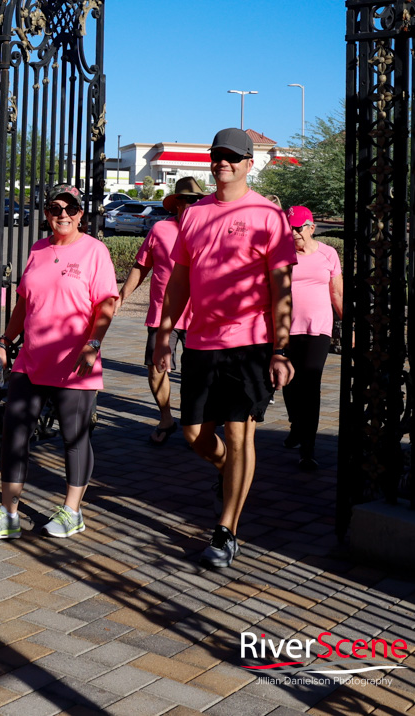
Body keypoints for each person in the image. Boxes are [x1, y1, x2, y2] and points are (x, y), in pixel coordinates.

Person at [154, 128, 296, 569]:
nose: (224, 163)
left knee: (239, 434)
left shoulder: (268, 214)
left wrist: (281, 348)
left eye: (233, 157)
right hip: (200, 340)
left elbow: (281, 286)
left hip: (250, 342)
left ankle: (226, 529)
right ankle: (230, 475)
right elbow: (180, 276)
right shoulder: (194, 214)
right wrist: (165, 329)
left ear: (249, 163)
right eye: (218, 156)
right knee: (195, 435)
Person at [0, 184, 118, 539]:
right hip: (31, 358)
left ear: (81, 213)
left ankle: (73, 511)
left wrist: (93, 343)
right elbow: (23, 303)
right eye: (55, 208)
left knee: (74, 437)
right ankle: (8, 515)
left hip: (75, 363)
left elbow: (107, 304)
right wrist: (5, 341)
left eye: (70, 208)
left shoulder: (94, 251)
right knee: (15, 433)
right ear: (46, 213)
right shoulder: (38, 250)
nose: (63, 214)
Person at [118, 176, 204, 446]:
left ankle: (196, 421)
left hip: (200, 314)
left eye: (197, 200)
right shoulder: (160, 230)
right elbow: (141, 265)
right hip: (162, 313)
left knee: (198, 372)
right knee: (156, 369)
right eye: (188, 200)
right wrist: (121, 297)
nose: (193, 205)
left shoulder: (208, 230)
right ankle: (166, 419)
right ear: (177, 203)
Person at [283, 205, 342, 470]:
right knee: (288, 382)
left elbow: (337, 293)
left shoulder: (328, 254)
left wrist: (350, 326)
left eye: (298, 227)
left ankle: (308, 449)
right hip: (286, 328)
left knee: (310, 386)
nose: (294, 232)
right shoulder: (281, 254)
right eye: (290, 227)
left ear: (311, 227)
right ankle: (296, 424)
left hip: (319, 329)